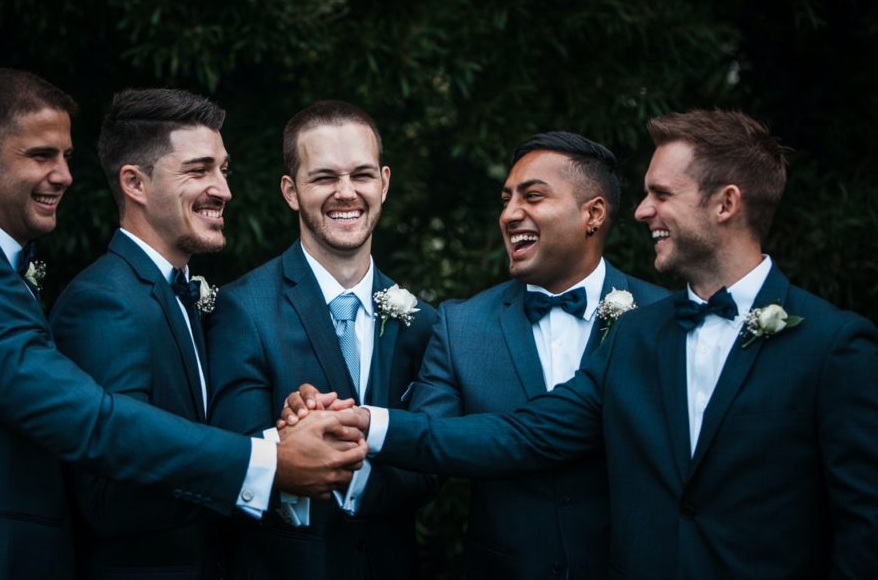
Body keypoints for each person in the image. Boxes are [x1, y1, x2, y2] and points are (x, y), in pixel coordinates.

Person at [306, 110, 878, 578]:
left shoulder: (834, 346)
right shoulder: (639, 338)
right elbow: (523, 434)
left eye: (661, 194)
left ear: (725, 204)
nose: (642, 211)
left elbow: (861, 527)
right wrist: (363, 422)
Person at [0, 70, 366, 580]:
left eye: (65, 157)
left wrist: (286, 424)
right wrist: (269, 462)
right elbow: (93, 424)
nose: (64, 175)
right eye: (41, 156)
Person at [406, 132, 666, 579]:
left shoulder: (662, 318)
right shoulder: (461, 325)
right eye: (506, 199)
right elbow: (427, 449)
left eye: (533, 196)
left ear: (593, 214)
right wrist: (342, 443)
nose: (509, 215)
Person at [205, 100, 438, 580]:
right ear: (291, 191)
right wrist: (290, 439)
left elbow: (432, 462)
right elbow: (234, 454)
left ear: (385, 182)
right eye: (325, 177)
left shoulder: (422, 323)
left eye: (362, 175)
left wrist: (329, 446)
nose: (346, 193)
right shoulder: (242, 309)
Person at [49, 88, 240, 578]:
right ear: (135, 183)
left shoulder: (179, 294)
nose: (223, 189)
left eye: (223, 169)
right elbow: (112, 496)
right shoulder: (105, 302)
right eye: (198, 171)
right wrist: (262, 470)